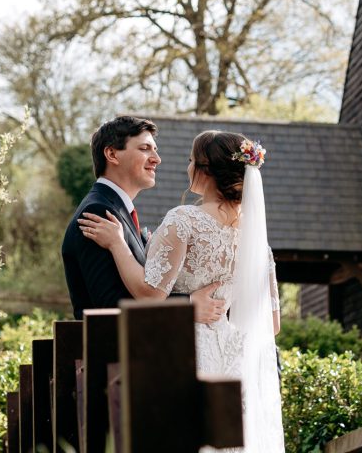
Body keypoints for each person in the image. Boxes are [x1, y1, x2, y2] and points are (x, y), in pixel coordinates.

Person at [78, 130, 285, 453]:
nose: (186, 168)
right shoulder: (258, 242)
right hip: (234, 359)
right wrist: (219, 310)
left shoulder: (184, 220)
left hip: (186, 351)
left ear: (204, 170)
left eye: (190, 161)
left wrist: (117, 244)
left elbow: (149, 294)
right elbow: (272, 325)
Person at [61, 115, 225, 324]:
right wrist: (188, 305)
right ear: (112, 154)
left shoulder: (116, 211)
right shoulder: (98, 211)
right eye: (145, 148)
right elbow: (110, 306)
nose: (156, 158)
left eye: (155, 149)